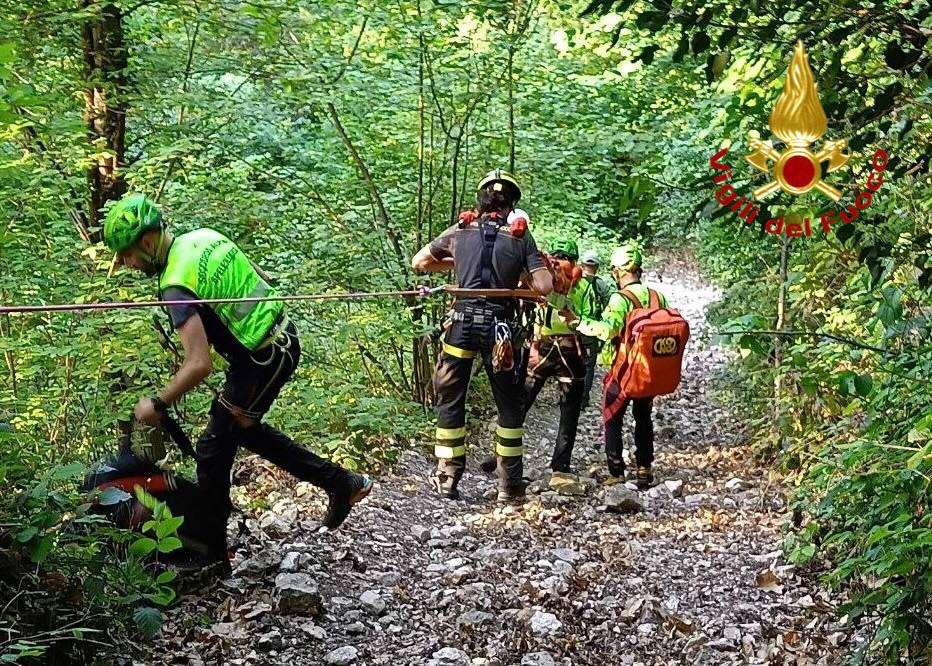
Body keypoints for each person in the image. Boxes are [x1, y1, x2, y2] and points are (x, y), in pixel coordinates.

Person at [103, 193, 373, 565]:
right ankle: (342, 483)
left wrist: (158, 402)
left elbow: (199, 364)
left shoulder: (175, 284)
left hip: (262, 358)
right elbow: (261, 276)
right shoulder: (203, 238)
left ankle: (213, 553)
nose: (128, 264)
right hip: (276, 342)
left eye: (127, 254)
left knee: (214, 448)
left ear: (147, 242)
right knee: (239, 427)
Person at [411, 169, 554, 502]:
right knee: (508, 406)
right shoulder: (520, 238)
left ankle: (447, 477)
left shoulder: (460, 232)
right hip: (499, 331)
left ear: (481, 200)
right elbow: (545, 285)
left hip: (460, 325)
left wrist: (457, 266)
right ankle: (509, 484)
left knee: (451, 398)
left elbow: (419, 262)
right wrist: (521, 274)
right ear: (511, 205)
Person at [564, 243, 668, 489]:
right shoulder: (657, 296)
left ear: (619, 271)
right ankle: (644, 468)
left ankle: (616, 471)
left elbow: (607, 330)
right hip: (649, 369)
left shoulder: (620, 299)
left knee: (612, 416)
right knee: (643, 416)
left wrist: (577, 322)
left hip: (624, 368)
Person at [520, 239, 599, 473]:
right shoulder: (583, 285)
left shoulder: (543, 278)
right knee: (569, 410)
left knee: (521, 402)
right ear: (575, 260)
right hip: (570, 349)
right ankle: (560, 465)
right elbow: (590, 316)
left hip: (541, 347)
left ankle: (504, 459)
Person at [577, 250, 614, 409]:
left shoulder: (575, 282)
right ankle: (584, 399)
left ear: (582, 265)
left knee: (572, 363)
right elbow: (608, 306)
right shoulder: (602, 285)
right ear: (597, 267)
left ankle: (570, 396)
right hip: (592, 331)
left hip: (575, 328)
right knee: (589, 366)